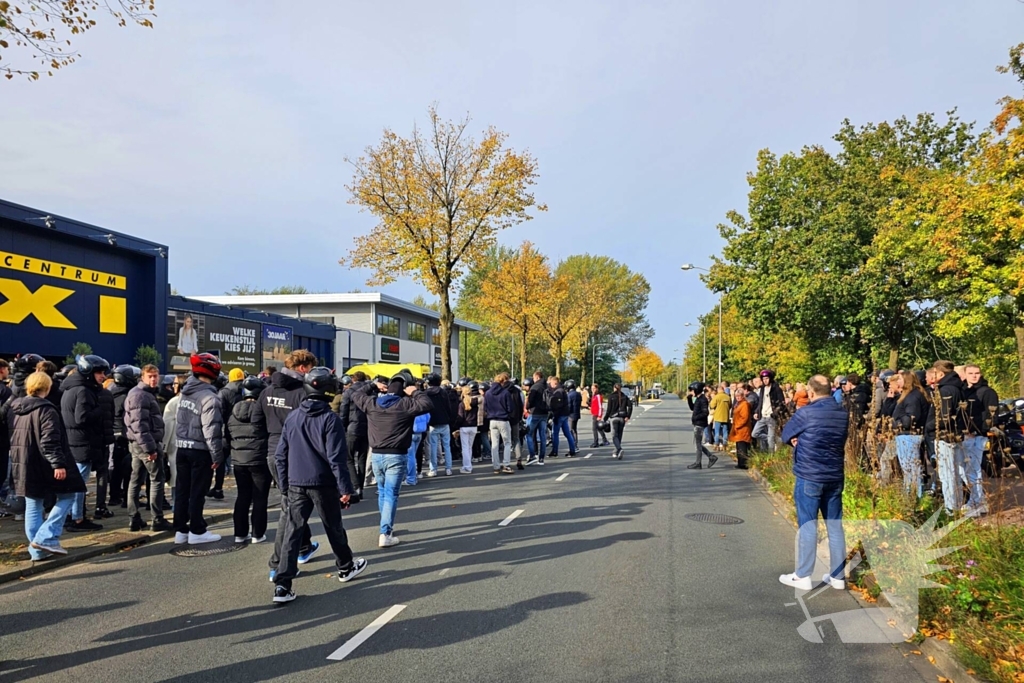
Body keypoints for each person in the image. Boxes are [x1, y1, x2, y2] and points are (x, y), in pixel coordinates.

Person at [273, 368, 368, 604]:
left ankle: (282, 584)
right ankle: (345, 566)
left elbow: (280, 455)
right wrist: (346, 489)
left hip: (296, 482)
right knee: (333, 526)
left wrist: (284, 485)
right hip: (322, 482)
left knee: (292, 533)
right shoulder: (330, 419)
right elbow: (337, 458)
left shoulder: (293, 417)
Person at [779, 375, 849, 591]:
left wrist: (796, 441)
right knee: (834, 526)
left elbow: (785, 435)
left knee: (808, 525)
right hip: (834, 475)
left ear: (810, 391)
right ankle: (838, 576)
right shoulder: (842, 413)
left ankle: (803, 575)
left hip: (809, 474)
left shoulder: (806, 412)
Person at [351, 370, 434, 547]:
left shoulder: (372, 403)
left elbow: (355, 393)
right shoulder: (405, 404)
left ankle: (386, 527)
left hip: (377, 455)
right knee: (390, 494)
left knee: (382, 492)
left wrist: (372, 385)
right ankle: (385, 532)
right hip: (396, 454)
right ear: (403, 390)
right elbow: (427, 404)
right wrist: (414, 392)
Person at [10, 371, 88, 559]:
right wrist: (58, 464)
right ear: (48, 387)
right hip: (44, 463)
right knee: (68, 494)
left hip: (22, 462)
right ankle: (46, 537)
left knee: (33, 503)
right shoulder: (47, 410)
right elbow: (50, 440)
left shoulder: (15, 408)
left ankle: (37, 551)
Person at [265, 350, 320, 577]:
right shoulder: (301, 394)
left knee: (296, 505)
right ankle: (278, 564)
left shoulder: (266, 391)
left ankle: (304, 547)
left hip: (271, 453)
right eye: (311, 368)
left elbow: (259, 425)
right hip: (292, 455)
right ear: (302, 368)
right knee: (289, 510)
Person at [172, 353, 225, 545]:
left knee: (182, 490)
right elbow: (212, 430)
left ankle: (181, 530)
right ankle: (197, 530)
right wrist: (217, 457)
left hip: (182, 448)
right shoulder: (210, 398)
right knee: (197, 492)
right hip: (200, 450)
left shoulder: (185, 392)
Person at [60, 354, 110, 533]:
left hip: (74, 441)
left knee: (76, 482)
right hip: (83, 443)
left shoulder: (70, 388)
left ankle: (73, 516)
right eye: (99, 373)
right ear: (89, 372)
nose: (103, 377)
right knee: (79, 483)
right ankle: (77, 519)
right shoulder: (83, 390)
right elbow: (81, 418)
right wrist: (99, 410)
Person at [124, 365, 172, 532]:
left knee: (136, 480)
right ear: (142, 377)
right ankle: (157, 519)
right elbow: (139, 426)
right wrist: (150, 449)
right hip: (145, 444)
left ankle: (134, 518)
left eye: (155, 376)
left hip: (139, 444)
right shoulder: (141, 396)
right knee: (156, 479)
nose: (153, 379)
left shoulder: (141, 394)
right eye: (150, 376)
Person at [229, 376, 270, 543]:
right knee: (260, 498)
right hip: (259, 459)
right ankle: (257, 534)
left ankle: (240, 533)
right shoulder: (263, 412)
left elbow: (227, 434)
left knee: (242, 496)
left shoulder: (233, 413)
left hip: (238, 461)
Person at [932, 360, 966, 513]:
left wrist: (931, 426)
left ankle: (950, 508)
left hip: (945, 436)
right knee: (957, 472)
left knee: (947, 473)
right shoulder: (959, 387)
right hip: (957, 434)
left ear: (940, 373)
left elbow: (943, 415)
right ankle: (957, 504)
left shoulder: (944, 390)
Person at [962, 364, 997, 516]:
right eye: (971, 373)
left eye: (977, 373)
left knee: (973, 470)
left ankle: (978, 503)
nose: (974, 376)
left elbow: (991, 416)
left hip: (977, 436)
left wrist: (978, 431)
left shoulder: (987, 392)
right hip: (964, 435)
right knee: (964, 470)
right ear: (965, 374)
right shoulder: (963, 391)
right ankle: (976, 500)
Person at [209, 368, 245, 500]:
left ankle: (218, 488)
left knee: (220, 461)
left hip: (226, 432)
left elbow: (218, 413)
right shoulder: (246, 391)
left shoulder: (223, 393)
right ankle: (246, 493)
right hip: (242, 432)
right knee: (241, 462)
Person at [891, 370, 928, 498]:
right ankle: (909, 493)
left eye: (900, 379)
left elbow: (911, 418)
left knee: (912, 468)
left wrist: (895, 424)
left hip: (909, 435)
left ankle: (916, 495)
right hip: (906, 435)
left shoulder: (913, 397)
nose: (898, 381)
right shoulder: (909, 395)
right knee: (908, 468)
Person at [107, 364, 138, 512]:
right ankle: (124, 497)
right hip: (122, 434)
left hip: (114, 433)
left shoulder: (111, 391)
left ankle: (115, 495)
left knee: (116, 467)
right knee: (125, 468)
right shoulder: (125, 396)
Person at [339, 371, 370, 501]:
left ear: (353, 379)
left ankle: (356, 486)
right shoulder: (369, 391)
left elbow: (343, 412)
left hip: (352, 428)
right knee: (362, 458)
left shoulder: (348, 392)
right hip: (367, 428)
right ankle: (361, 487)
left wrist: (342, 427)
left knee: (349, 458)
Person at [484, 373, 517, 474]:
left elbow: (485, 407)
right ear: (503, 381)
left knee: (495, 444)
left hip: (492, 420)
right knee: (507, 442)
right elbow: (510, 408)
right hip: (503, 420)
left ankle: (496, 466)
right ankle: (506, 465)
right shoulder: (505, 393)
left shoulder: (488, 393)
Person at [424, 373, 454, 477]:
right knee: (447, 446)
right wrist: (449, 418)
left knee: (433, 446)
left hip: (432, 423)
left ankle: (433, 469)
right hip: (444, 421)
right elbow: (448, 407)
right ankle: (448, 469)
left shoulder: (426, 393)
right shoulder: (443, 392)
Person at [162, 375, 185, 500]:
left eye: (175, 383)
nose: (172, 386)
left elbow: (167, 426)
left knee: (176, 479)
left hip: (175, 444)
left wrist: (164, 448)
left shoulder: (173, 402)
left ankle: (177, 510)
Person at [752, 369, 786, 452]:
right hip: (763, 416)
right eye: (763, 379)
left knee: (770, 440)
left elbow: (781, 403)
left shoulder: (776, 389)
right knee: (754, 434)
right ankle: (778, 440)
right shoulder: (762, 389)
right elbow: (761, 402)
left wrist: (775, 413)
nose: (765, 380)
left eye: (766, 378)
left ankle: (771, 457)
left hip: (771, 416)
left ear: (770, 378)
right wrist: (757, 412)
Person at [547, 376, 578, 458]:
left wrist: (555, 416)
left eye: (551, 383)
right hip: (564, 415)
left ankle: (555, 451)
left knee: (555, 434)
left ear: (555, 383)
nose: (550, 385)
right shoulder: (562, 391)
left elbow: (558, 406)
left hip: (559, 415)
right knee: (567, 433)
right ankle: (572, 450)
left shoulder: (558, 392)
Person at [686, 382, 715, 469]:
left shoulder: (702, 399)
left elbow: (705, 412)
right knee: (697, 444)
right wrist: (689, 399)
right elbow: (693, 408)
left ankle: (698, 463)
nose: (691, 392)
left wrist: (696, 418)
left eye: (692, 391)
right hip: (698, 423)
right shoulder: (699, 399)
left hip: (699, 424)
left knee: (697, 444)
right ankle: (711, 457)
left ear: (696, 390)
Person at [601, 383, 633, 460]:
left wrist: (605, 419)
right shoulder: (624, 396)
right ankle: (616, 451)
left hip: (614, 418)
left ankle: (619, 449)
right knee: (619, 435)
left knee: (614, 435)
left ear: (614, 388)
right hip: (622, 418)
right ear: (620, 388)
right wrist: (628, 416)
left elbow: (608, 410)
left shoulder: (611, 396)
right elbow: (630, 406)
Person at [525, 371, 549, 465]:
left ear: (537, 377)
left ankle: (532, 455)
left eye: (534, 378)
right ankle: (541, 458)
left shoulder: (535, 387)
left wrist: (527, 408)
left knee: (529, 434)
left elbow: (530, 400)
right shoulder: (546, 386)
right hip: (545, 413)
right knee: (542, 436)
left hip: (535, 413)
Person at [458, 382, 482, 474]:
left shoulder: (461, 404)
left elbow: (460, 416)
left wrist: (456, 426)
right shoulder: (475, 403)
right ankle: (468, 466)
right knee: (469, 447)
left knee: (465, 447)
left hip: (464, 426)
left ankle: (467, 467)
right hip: (473, 426)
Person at [729, 384, 753, 469]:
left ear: (743, 396)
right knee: (739, 446)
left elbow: (745, 417)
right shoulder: (738, 404)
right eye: (736, 396)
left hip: (743, 429)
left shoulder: (744, 404)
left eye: (739, 396)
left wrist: (738, 425)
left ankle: (743, 464)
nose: (738, 397)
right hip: (738, 429)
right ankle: (740, 463)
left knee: (742, 447)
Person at [710, 382, 731, 452]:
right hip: (725, 416)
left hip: (718, 416)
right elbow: (730, 405)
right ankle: (724, 444)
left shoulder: (716, 397)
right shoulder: (728, 397)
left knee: (717, 431)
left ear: (718, 390)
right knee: (725, 431)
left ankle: (716, 444)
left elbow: (712, 405)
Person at [589, 384, 609, 448]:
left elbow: (600, 406)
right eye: (592, 388)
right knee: (599, 428)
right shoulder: (594, 395)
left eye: (594, 388)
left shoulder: (598, 396)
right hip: (594, 413)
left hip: (596, 414)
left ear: (597, 389)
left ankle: (596, 442)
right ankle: (604, 440)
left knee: (594, 428)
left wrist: (599, 415)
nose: (592, 390)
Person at [566, 379, 582, 445]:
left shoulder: (569, 395)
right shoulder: (578, 394)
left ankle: (574, 444)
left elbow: (569, 406)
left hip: (571, 415)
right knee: (574, 429)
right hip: (577, 413)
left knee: (570, 430)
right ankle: (575, 443)